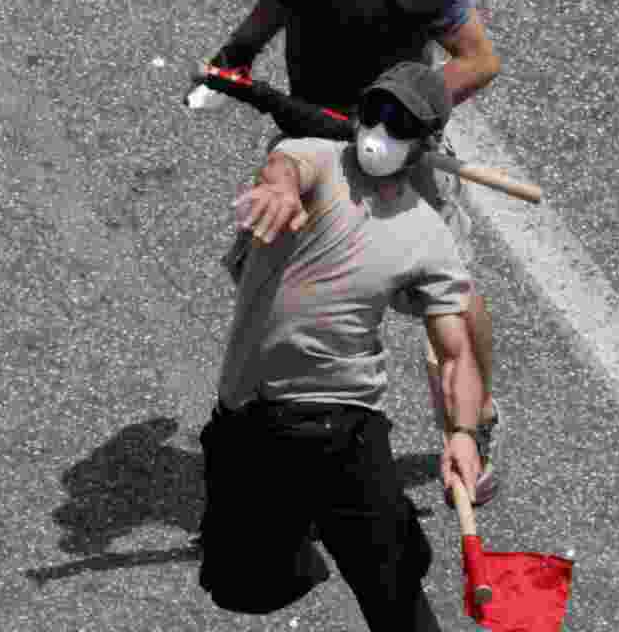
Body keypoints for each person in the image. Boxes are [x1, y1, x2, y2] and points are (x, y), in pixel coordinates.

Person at [205, 0, 503, 504]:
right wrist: (234, 57)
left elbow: (479, 59)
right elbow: (278, 1)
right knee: (271, 288)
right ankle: (287, 430)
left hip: (399, 150)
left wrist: (403, 114)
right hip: (315, 146)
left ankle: (473, 427)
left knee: (450, 296)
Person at [198, 63, 483, 630]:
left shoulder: (428, 234)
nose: (380, 128)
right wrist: (277, 188)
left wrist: (463, 433)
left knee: (396, 599)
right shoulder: (320, 160)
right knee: (239, 588)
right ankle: (346, 531)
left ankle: (383, 540)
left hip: (342, 426)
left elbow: (456, 353)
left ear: (424, 144)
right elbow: (285, 166)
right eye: (375, 109)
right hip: (250, 418)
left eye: (401, 122)